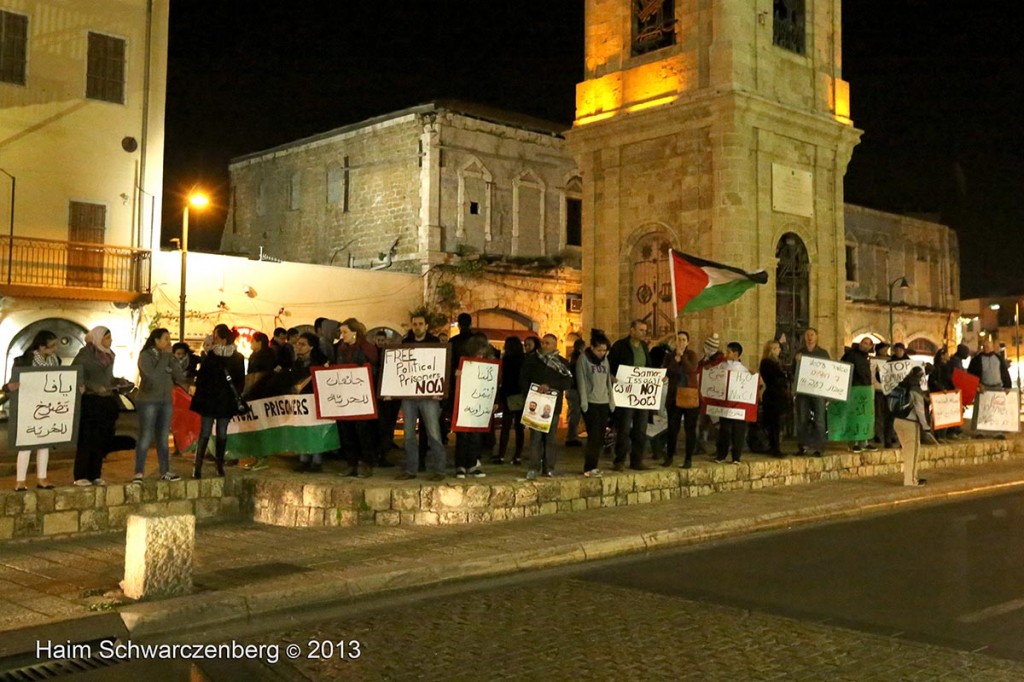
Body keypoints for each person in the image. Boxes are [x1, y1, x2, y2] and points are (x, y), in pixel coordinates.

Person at [4, 330, 60, 490]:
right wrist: (12, 386)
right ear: (41, 347)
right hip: (28, 407)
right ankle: (20, 480)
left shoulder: (56, 361)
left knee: (45, 443)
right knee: (26, 444)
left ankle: (42, 478)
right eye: (51, 346)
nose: (55, 349)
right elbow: (9, 384)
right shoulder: (23, 361)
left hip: (48, 407)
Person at [189, 324, 245, 479]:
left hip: (223, 400)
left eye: (216, 337)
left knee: (221, 432)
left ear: (223, 339)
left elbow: (240, 380)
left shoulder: (236, 357)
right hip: (211, 399)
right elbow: (202, 378)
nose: (213, 340)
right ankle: (198, 466)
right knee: (206, 431)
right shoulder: (211, 356)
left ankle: (218, 464)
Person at [396, 313, 447, 481]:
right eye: (414, 324)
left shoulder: (435, 344)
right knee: (408, 434)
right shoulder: (405, 344)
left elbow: (441, 367)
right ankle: (411, 469)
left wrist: (441, 390)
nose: (417, 326)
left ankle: (440, 470)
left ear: (426, 326)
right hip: (409, 395)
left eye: (420, 324)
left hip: (429, 395)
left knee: (434, 433)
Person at [133, 328, 187, 483]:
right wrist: (164, 358)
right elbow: (152, 377)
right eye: (165, 339)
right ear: (156, 340)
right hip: (148, 400)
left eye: (169, 339)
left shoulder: (168, 356)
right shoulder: (145, 356)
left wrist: (174, 361)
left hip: (165, 401)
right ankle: (138, 472)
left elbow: (179, 376)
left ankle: (165, 470)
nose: (168, 342)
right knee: (145, 436)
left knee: (163, 437)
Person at [72, 326, 123, 486]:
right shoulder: (85, 355)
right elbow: (76, 375)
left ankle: (95, 473)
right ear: (98, 338)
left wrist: (118, 382)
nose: (110, 341)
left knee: (101, 439)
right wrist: (93, 386)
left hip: (106, 400)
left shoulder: (109, 355)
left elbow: (108, 377)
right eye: (107, 338)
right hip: (90, 401)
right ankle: (81, 475)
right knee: (87, 438)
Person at [520, 333, 574, 478]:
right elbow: (523, 379)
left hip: (553, 405)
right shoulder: (532, 361)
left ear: (555, 345)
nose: (544, 346)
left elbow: (567, 382)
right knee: (535, 437)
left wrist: (550, 386)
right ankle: (533, 467)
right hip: (536, 404)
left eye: (548, 343)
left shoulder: (561, 363)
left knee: (550, 438)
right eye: (543, 343)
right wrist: (533, 389)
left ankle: (549, 467)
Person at [335, 318, 379, 478]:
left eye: (345, 332)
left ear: (354, 333)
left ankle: (366, 463)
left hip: (362, 398)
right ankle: (351, 463)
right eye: (341, 332)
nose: (342, 335)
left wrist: (359, 373)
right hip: (345, 397)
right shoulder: (341, 349)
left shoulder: (367, 348)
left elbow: (374, 370)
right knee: (347, 432)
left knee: (363, 432)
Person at [608, 320, 653, 471]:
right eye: (640, 330)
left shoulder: (644, 347)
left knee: (641, 428)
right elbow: (610, 365)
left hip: (641, 394)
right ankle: (619, 460)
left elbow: (649, 367)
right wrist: (613, 377)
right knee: (624, 428)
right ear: (632, 330)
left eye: (645, 330)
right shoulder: (620, 346)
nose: (643, 333)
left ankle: (637, 460)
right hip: (625, 393)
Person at [453, 335, 492, 479]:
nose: (480, 355)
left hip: (480, 404)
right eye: (478, 353)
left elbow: (493, 384)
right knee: (462, 435)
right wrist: (456, 375)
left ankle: (473, 465)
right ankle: (461, 465)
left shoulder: (489, 363)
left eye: (482, 353)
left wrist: (494, 402)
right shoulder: (462, 362)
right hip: (464, 403)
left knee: (476, 436)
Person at [576, 330, 613, 477]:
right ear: (592, 348)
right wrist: (584, 402)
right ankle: (589, 467)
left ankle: (594, 465)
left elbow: (607, 381)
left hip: (603, 401)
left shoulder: (605, 360)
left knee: (600, 436)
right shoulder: (583, 360)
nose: (602, 353)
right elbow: (581, 381)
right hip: (591, 402)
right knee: (593, 436)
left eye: (604, 350)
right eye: (599, 350)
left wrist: (611, 400)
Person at [664, 331, 700, 468]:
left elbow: (691, 370)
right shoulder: (669, 356)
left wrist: (682, 357)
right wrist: (675, 360)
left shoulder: (692, 355)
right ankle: (669, 456)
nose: (681, 342)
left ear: (688, 342)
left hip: (689, 395)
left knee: (690, 429)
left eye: (684, 339)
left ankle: (688, 458)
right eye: (679, 339)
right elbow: (666, 372)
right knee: (672, 428)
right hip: (674, 396)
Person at [794, 328, 829, 457]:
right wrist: (796, 362)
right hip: (803, 392)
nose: (809, 337)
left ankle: (819, 447)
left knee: (819, 419)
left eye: (812, 334)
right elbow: (794, 372)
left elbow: (828, 372)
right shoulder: (800, 352)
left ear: (816, 336)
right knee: (802, 419)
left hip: (818, 391)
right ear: (804, 337)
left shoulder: (823, 353)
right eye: (807, 334)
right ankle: (803, 446)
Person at [715, 342, 750, 464]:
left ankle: (736, 457)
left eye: (728, 352)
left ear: (735, 354)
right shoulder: (721, 366)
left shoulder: (744, 370)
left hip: (738, 405)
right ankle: (721, 455)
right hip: (725, 403)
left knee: (738, 431)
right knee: (724, 429)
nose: (726, 354)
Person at [841, 337, 878, 453]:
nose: (865, 345)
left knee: (864, 416)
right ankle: (854, 443)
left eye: (868, 344)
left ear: (870, 347)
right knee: (854, 416)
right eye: (864, 343)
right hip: (854, 389)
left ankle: (864, 441)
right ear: (860, 343)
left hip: (865, 389)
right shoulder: (851, 355)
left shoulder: (866, 357)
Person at [494, 336, 526, 465]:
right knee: (519, 427)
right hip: (521, 395)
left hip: (508, 394)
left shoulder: (506, 360)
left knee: (505, 427)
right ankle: (517, 455)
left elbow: (504, 379)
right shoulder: (524, 359)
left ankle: (501, 455)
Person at [758, 339, 790, 458]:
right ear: (771, 350)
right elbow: (776, 378)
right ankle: (774, 447)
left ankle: (775, 446)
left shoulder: (776, 362)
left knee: (777, 422)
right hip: (773, 395)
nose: (779, 350)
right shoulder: (767, 363)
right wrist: (784, 377)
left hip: (778, 395)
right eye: (776, 348)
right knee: (774, 423)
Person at [564, 338, 585, 447]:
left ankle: (572, 435)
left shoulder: (572, 356)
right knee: (575, 413)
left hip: (571, 388)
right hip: (575, 389)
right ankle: (571, 437)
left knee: (573, 413)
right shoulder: (579, 358)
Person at [244, 332, 276, 398]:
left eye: (252, 341)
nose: (250, 343)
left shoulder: (268, 355)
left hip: (263, 389)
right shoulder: (253, 355)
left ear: (259, 343)